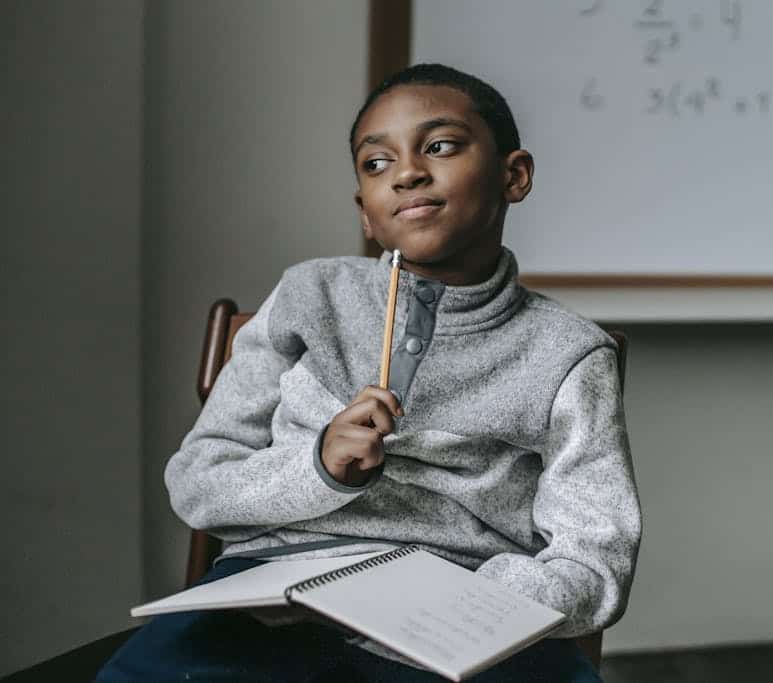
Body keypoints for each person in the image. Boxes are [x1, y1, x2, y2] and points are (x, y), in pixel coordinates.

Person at [97, 63, 641, 682]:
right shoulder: (308, 296)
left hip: (466, 610)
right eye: (376, 164)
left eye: (439, 147)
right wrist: (318, 468)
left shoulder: (568, 352)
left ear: (513, 176)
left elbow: (595, 560)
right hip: (274, 600)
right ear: (365, 212)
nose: (407, 173)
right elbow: (199, 484)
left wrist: (490, 602)